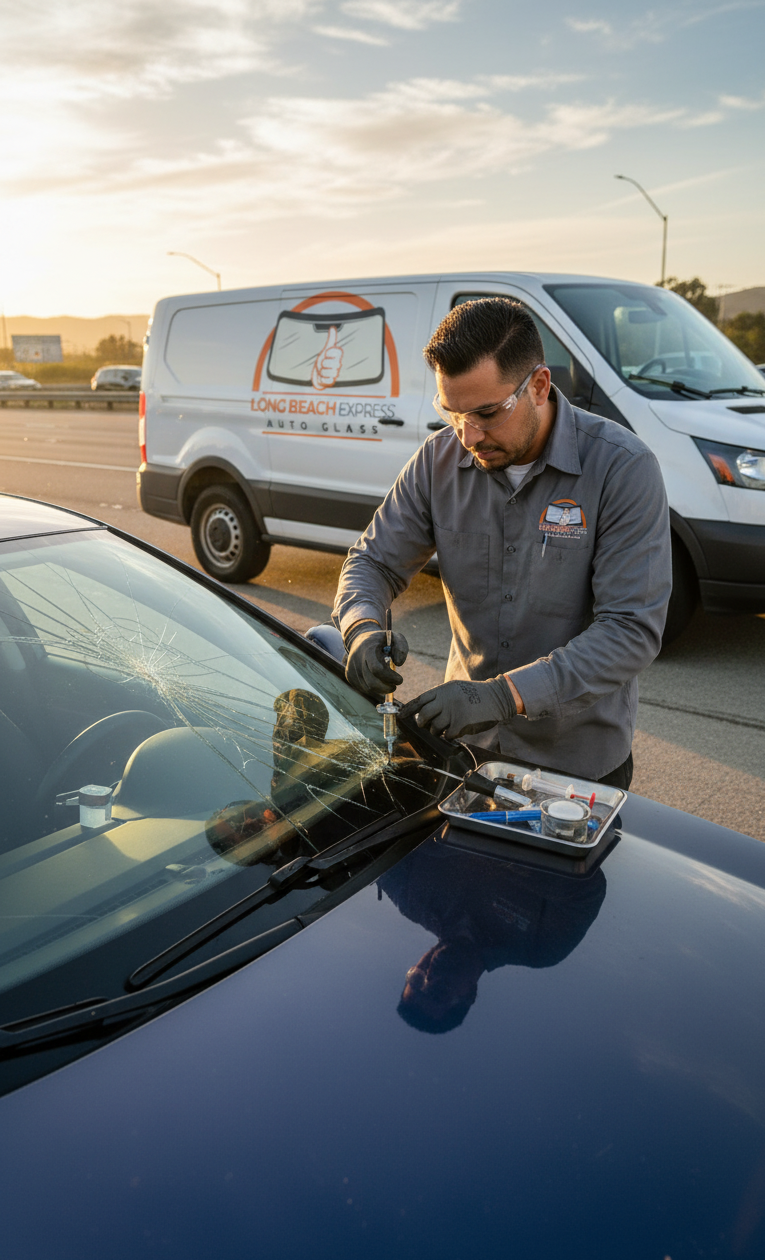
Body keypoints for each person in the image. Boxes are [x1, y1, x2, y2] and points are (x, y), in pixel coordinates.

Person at [332, 298, 672, 788]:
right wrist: (360, 628)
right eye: (453, 414)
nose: (469, 435)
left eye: (487, 413)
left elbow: (629, 630)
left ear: (538, 386)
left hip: (576, 769)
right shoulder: (438, 461)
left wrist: (502, 696)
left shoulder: (622, 469)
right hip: (464, 753)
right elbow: (373, 562)